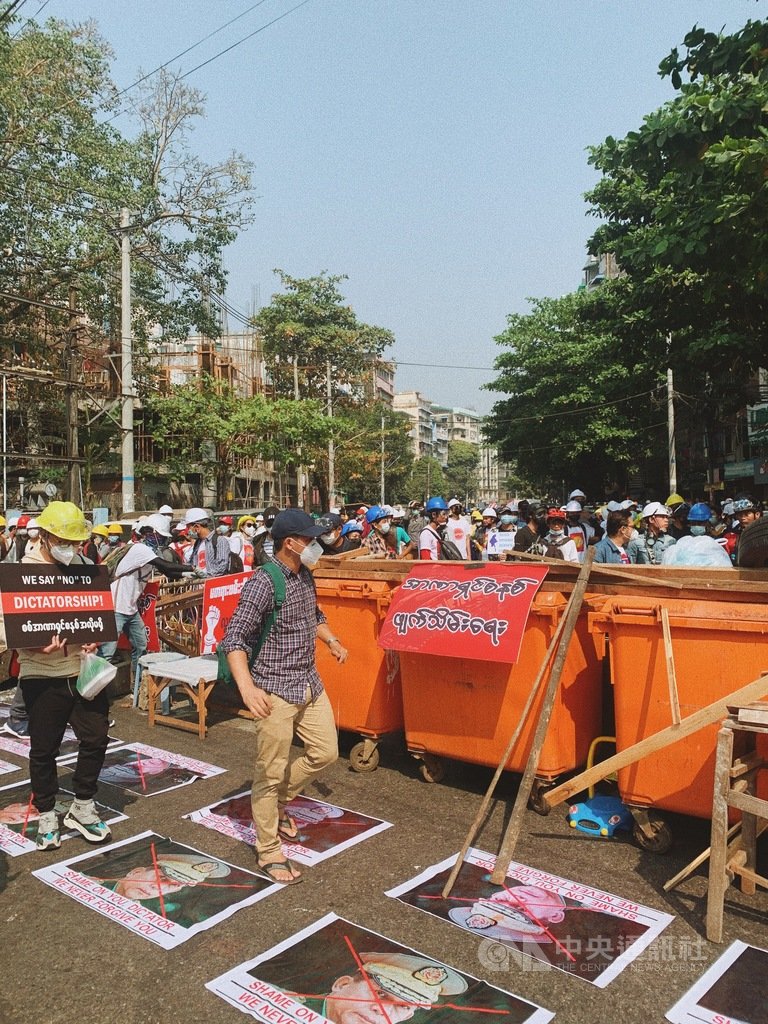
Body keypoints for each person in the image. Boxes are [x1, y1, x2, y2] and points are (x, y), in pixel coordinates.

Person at [220, 508, 348, 885]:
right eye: (309, 540)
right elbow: (234, 638)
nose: (316, 546)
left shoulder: (305, 574)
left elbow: (314, 614)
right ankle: (268, 849)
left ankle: (277, 804)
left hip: (309, 682)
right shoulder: (265, 581)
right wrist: (247, 688)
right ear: (290, 543)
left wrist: (331, 639)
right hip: (274, 689)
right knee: (269, 773)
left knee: (325, 752)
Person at [17, 501, 113, 850]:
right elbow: (4, 628)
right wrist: (31, 645)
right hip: (41, 675)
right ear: (43, 536)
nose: (70, 549)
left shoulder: (86, 566)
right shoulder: (20, 572)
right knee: (44, 749)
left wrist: (94, 635)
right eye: (63, 541)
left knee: (97, 736)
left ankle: (83, 806)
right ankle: (46, 813)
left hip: (82, 671)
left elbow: (98, 613)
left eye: (75, 542)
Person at [100, 513, 188, 676]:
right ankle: (92, 688)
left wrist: (187, 575)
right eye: (160, 536)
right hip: (116, 607)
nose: (162, 540)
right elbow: (166, 566)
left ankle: (137, 685)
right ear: (151, 532)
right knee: (106, 653)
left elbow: (168, 572)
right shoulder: (140, 549)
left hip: (131, 609)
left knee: (140, 646)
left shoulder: (151, 552)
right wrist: (191, 568)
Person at [290, 952, 467, 1024]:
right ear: (342, 984)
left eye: (403, 1006)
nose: (382, 1010)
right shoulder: (286, 1004)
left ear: (408, 1016)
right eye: (380, 993)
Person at [661, 502, 732, 567]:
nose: (697, 525)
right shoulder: (684, 542)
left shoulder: (713, 545)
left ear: (708, 523)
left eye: (700, 523)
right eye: (694, 523)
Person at [184, 507, 231, 577]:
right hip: (200, 586)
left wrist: (206, 576)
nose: (188, 531)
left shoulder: (220, 541)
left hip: (214, 586)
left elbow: (222, 566)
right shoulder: (197, 544)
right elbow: (192, 564)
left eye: (188, 527)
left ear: (197, 527)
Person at [730, 494, 762, 564]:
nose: (742, 518)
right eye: (739, 514)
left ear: (757, 514)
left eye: (747, 514)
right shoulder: (734, 532)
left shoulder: (763, 532)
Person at [418, 496, 449, 560]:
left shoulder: (436, 532)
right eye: (443, 514)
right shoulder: (426, 533)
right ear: (434, 515)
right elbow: (425, 558)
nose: (446, 517)